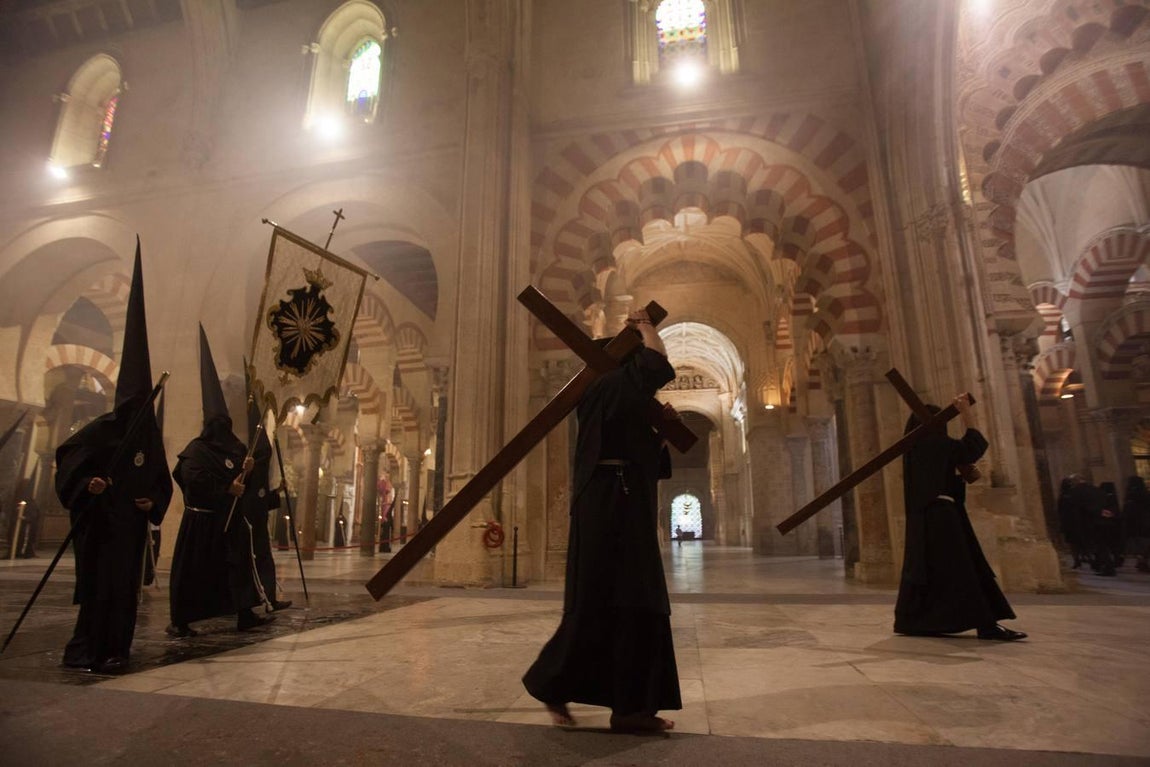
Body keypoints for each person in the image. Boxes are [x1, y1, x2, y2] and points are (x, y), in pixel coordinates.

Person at [523, 308, 682, 732]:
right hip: (610, 504)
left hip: (620, 502)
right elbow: (657, 364)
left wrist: (661, 434)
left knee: (638, 604)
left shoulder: (614, 395)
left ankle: (631, 709)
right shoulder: (606, 386)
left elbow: (642, 454)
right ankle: (554, 684)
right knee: (603, 602)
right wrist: (646, 327)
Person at [55, 244, 173, 672]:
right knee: (99, 590)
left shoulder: (149, 439)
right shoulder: (103, 431)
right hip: (102, 529)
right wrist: (89, 485)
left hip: (130, 532)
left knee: (125, 593)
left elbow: (162, 481)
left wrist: (153, 504)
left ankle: (117, 650)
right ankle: (86, 649)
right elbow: (69, 458)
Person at [894, 394, 1026, 641]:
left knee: (931, 571)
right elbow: (974, 445)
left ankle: (914, 620)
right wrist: (966, 411)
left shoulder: (914, 449)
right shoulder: (936, 444)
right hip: (943, 518)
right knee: (965, 570)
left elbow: (946, 468)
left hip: (926, 518)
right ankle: (986, 625)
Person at [168, 326, 272, 636]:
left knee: (236, 569)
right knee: (194, 574)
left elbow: (244, 483)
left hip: (230, 523)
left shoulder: (237, 448)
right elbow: (190, 479)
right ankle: (182, 621)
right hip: (202, 525)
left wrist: (248, 470)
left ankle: (244, 613)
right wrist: (226, 488)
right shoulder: (196, 451)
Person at [1123, 475, 1150, 572]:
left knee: (1137, 545)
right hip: (1146, 524)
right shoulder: (1146, 495)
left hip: (1133, 525)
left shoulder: (1129, 496)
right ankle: (1143, 561)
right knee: (1145, 544)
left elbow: (1126, 513)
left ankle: (1141, 561)